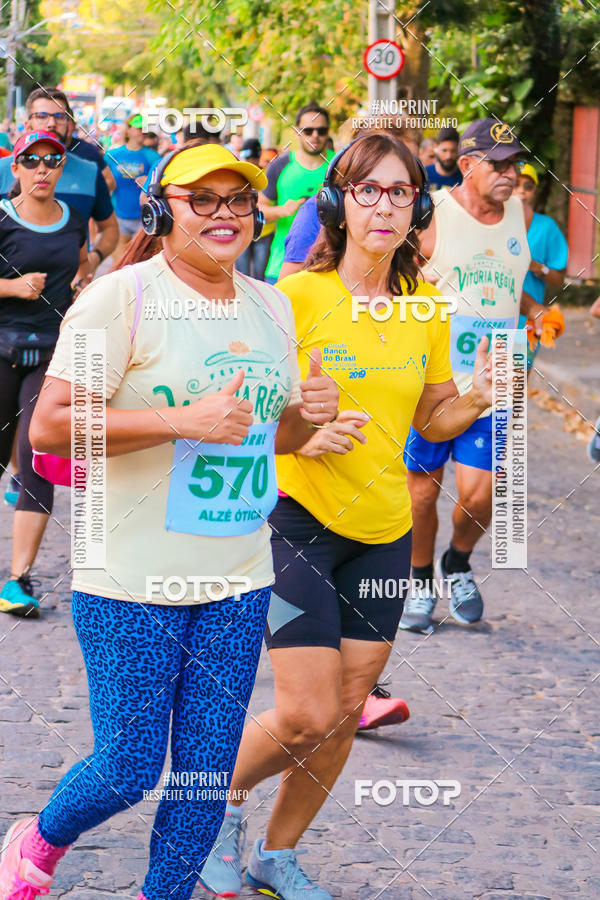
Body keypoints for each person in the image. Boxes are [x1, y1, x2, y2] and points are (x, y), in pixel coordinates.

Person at [1, 143, 339, 899]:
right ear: (160, 210)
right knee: (128, 766)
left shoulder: (272, 306)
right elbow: (49, 427)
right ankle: (39, 839)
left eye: (239, 200)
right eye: (202, 199)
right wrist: (180, 419)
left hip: (238, 576)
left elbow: (269, 436)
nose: (225, 214)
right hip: (129, 574)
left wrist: (307, 416)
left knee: (204, 775)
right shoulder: (120, 300)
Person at [200, 133, 494, 900]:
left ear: (417, 208)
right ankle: (211, 803)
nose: (384, 206)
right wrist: (301, 422)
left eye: (400, 192)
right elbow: (235, 408)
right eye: (368, 190)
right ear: (339, 203)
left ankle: (276, 855)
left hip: (384, 534)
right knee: (307, 712)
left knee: (346, 713)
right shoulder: (294, 297)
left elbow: (432, 418)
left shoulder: (427, 307)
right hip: (296, 523)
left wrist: (480, 396)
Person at [399, 117, 539, 635]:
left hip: (497, 376)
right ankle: (419, 578)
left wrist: (536, 310)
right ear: (466, 165)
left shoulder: (521, 213)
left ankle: (456, 562)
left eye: (514, 163)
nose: (509, 173)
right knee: (421, 494)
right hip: (433, 381)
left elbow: (510, 284)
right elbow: (392, 278)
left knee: (483, 496)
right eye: (497, 164)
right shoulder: (431, 214)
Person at [0, 131, 88, 616]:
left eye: (52, 160)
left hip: (53, 352)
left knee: (37, 458)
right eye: (31, 160)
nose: (41, 169)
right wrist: (12, 289)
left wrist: (85, 283)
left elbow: (82, 263)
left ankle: (17, 581)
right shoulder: (1, 215)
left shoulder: (73, 220)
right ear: (16, 168)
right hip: (2, 345)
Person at [0, 87, 119, 280]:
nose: (51, 123)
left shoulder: (89, 171)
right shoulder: (2, 170)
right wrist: (11, 287)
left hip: (72, 294)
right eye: (41, 116)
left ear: (69, 124)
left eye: (59, 116)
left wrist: (92, 260)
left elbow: (110, 228)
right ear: (27, 124)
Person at [260, 103, 334, 283]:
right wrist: (282, 210)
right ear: (297, 132)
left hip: (331, 267)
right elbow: (258, 210)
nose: (315, 136)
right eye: (308, 131)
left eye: (321, 131)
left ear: (328, 132)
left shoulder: (341, 164)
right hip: (282, 266)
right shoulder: (279, 166)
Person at [513, 163, 568, 370]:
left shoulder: (547, 228)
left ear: (535, 192)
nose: (521, 191)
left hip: (527, 323)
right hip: (490, 319)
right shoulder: (490, 222)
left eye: (528, 187)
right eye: (516, 184)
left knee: (516, 384)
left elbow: (558, 280)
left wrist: (538, 267)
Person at [106, 113, 161, 256]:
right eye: (138, 128)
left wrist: (149, 181)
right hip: (118, 216)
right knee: (119, 261)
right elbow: (102, 183)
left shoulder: (153, 157)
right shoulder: (113, 155)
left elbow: (162, 185)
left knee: (138, 260)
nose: (142, 131)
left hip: (144, 218)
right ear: (128, 130)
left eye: (145, 128)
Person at [236, 138, 274, 281]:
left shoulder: (267, 175)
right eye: (247, 158)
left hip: (264, 231)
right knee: (242, 276)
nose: (250, 161)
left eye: (253, 158)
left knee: (259, 277)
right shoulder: (237, 176)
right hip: (242, 230)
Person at [425, 125, 462, 192]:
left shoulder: (464, 178)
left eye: (453, 151)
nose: (449, 156)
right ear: (436, 147)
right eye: (444, 150)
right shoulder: (424, 175)